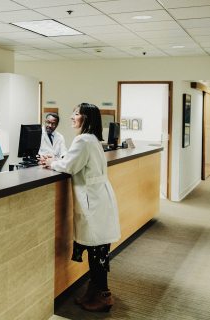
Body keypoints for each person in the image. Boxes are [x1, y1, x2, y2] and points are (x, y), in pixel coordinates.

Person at [41, 103, 121, 312]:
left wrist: (51, 163)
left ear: (85, 118)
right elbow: (74, 161)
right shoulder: (92, 139)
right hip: (99, 198)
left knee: (97, 252)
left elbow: (69, 166)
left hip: (93, 202)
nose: (71, 117)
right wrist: (57, 159)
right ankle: (96, 293)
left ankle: (103, 296)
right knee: (99, 250)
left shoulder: (83, 140)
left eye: (75, 114)